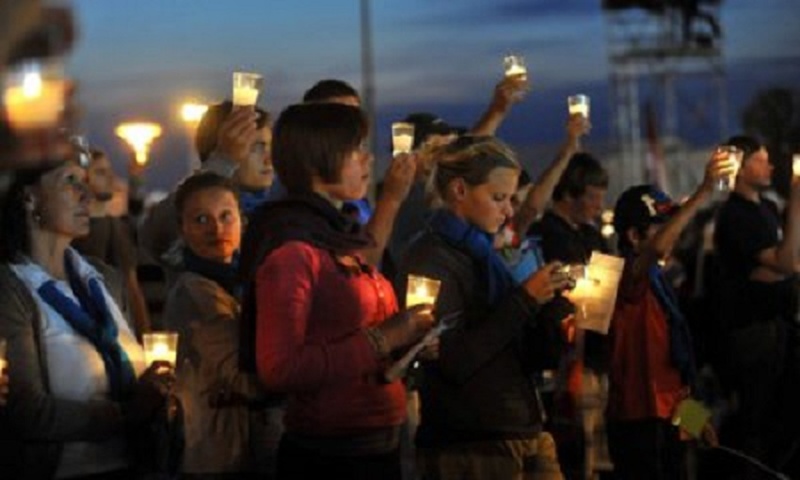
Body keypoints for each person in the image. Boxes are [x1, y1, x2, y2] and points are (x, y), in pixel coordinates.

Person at [240, 102, 434, 480]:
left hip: (378, 445)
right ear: (317, 159)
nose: (367, 159)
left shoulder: (336, 233)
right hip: (329, 455)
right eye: (355, 150)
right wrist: (385, 337)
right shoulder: (292, 249)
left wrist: (409, 340)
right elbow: (280, 368)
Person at [397, 135, 572, 480]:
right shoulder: (431, 258)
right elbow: (451, 360)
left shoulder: (485, 254)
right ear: (459, 190)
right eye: (498, 198)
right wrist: (524, 300)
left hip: (521, 431)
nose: (509, 211)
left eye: (511, 199)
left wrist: (551, 310)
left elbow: (518, 348)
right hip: (471, 446)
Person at [0, 149, 172, 479]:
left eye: (86, 183)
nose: (87, 194)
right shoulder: (12, 290)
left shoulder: (105, 278)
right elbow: (27, 411)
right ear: (29, 198)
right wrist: (125, 414)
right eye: (70, 182)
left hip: (136, 465)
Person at [605, 150, 728, 480]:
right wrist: (704, 190)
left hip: (669, 417)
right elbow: (656, 250)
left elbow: (674, 367)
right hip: (639, 422)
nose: (670, 236)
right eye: (661, 227)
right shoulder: (625, 276)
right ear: (633, 236)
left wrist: (696, 420)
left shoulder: (660, 282)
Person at [163, 172, 279, 479]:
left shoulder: (240, 279)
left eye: (225, 216)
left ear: (242, 219)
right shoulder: (195, 291)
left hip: (239, 447)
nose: (216, 229)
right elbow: (242, 379)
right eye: (201, 219)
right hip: (216, 453)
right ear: (182, 229)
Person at [713, 135, 800, 477]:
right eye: (761, 160)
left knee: (783, 413)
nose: (771, 166)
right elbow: (786, 261)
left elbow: (784, 265)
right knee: (756, 417)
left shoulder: (765, 209)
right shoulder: (735, 215)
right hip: (754, 332)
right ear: (740, 166)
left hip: (778, 325)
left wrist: (781, 266)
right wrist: (796, 199)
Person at [526, 151, 611, 479]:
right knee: (572, 447)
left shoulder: (591, 236)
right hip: (565, 356)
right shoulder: (546, 234)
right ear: (568, 193)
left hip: (595, 355)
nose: (598, 205)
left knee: (595, 450)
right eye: (592, 196)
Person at [139, 101, 273, 268]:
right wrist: (223, 162)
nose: (269, 159)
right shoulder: (192, 219)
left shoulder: (277, 211)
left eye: (270, 147)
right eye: (256, 148)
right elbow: (155, 237)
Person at [72, 147, 150, 338]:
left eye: (110, 171)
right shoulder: (73, 232)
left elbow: (132, 288)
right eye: (100, 172)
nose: (110, 178)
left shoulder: (116, 226)